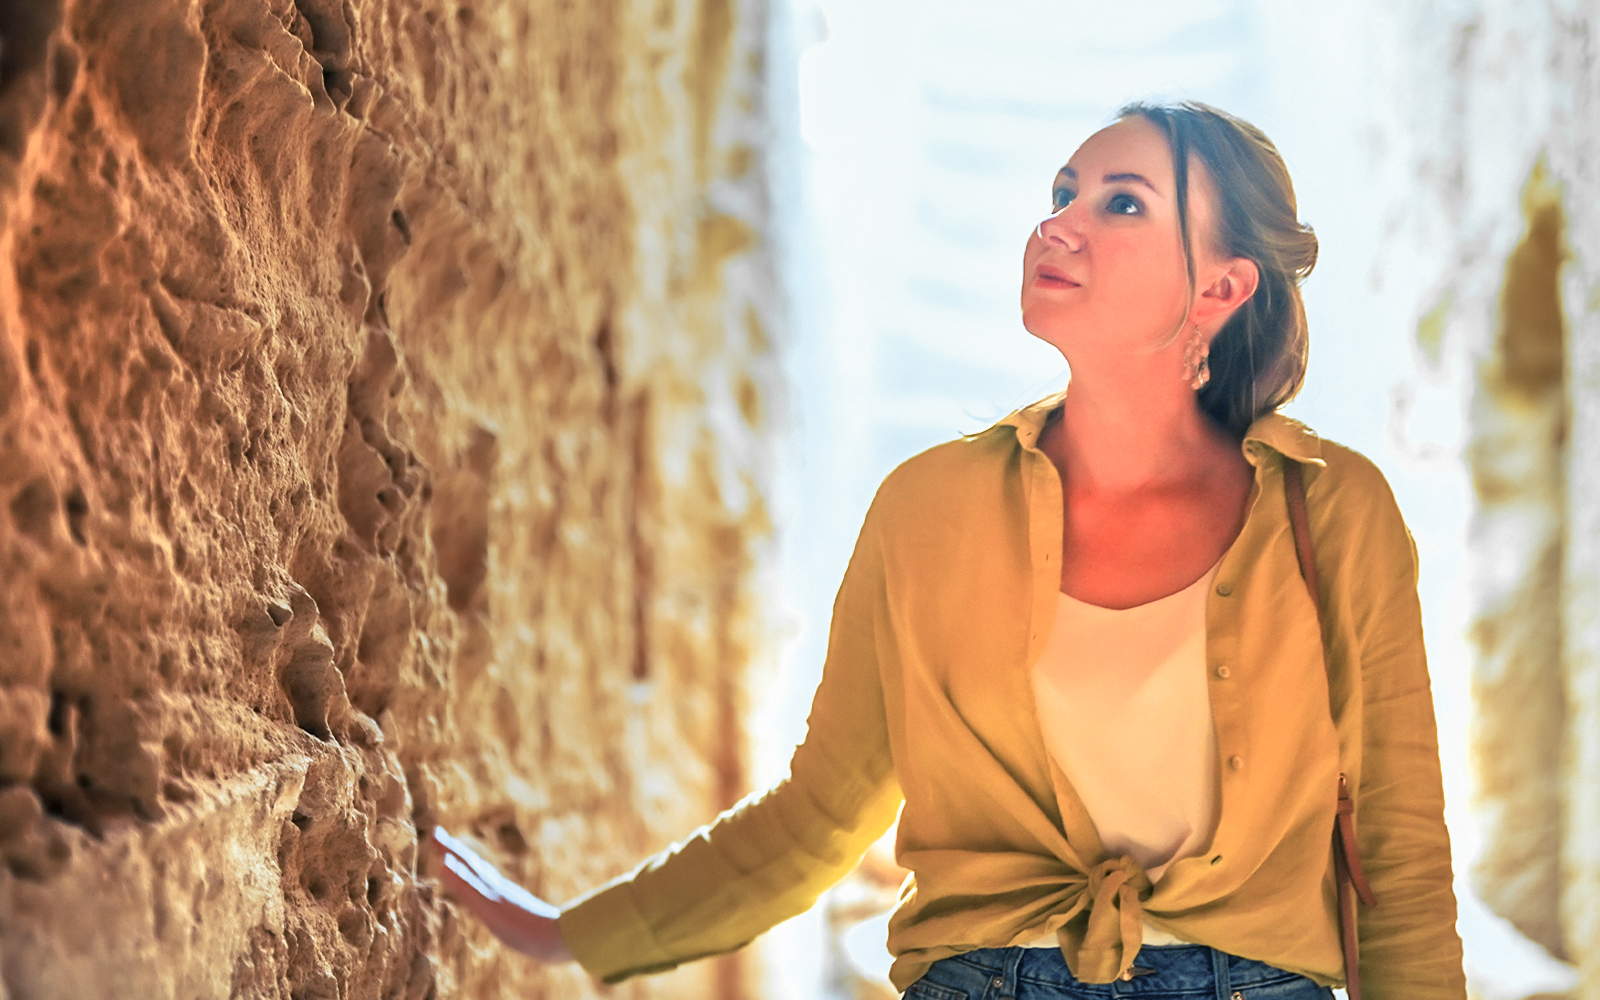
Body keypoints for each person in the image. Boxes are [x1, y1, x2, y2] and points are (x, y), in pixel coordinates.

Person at [430, 101, 1467, 999]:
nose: (1056, 222)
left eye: (1121, 202)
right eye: (1062, 190)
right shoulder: (927, 508)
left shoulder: (1333, 512)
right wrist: (570, 930)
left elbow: (1397, 859)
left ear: (1221, 288)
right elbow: (820, 815)